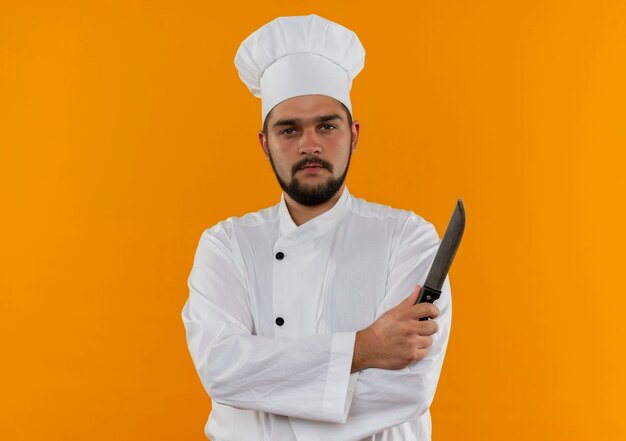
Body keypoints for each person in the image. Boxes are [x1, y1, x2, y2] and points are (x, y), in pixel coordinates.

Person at [182, 14, 452, 441]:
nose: (310, 145)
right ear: (265, 144)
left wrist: (264, 401)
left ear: (354, 135)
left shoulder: (408, 238)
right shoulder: (226, 246)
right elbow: (222, 369)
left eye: (327, 125)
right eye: (288, 130)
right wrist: (363, 348)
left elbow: (407, 388)